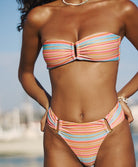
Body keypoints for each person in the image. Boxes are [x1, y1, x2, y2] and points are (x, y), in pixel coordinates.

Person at [17, 0, 138, 166]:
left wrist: (123, 96)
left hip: (112, 128)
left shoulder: (121, 8)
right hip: (59, 133)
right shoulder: (40, 16)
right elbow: (25, 74)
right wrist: (47, 103)